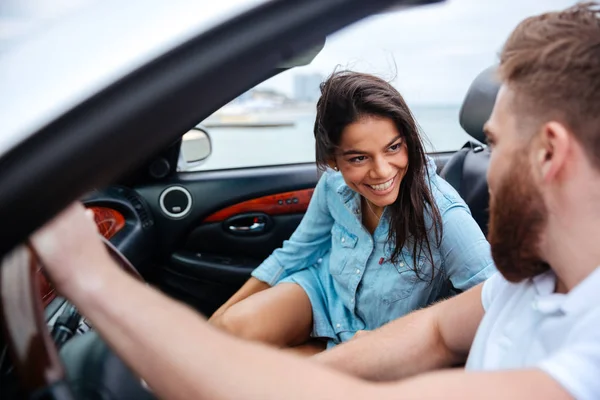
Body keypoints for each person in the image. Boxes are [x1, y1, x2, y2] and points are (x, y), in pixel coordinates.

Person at [29, 2, 600, 399]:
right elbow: (431, 334)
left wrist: (92, 278)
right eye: (357, 158)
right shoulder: (524, 280)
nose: (481, 161)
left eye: (494, 143)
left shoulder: (585, 358)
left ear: (549, 153)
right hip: (331, 305)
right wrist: (224, 351)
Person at [208, 70, 495, 352]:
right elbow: (296, 252)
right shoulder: (333, 186)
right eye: (359, 158)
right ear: (333, 160)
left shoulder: (443, 212)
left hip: (380, 337)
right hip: (326, 294)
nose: (382, 171)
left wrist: (399, 341)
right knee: (225, 334)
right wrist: (219, 318)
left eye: (393, 148)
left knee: (266, 383)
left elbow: (490, 302)